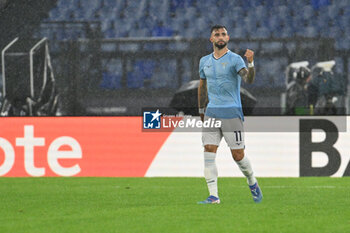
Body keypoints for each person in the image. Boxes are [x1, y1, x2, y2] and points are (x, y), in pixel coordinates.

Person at [197, 25, 262, 204]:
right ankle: (213, 196)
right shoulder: (204, 61)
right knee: (209, 151)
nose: (220, 36)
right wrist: (201, 110)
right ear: (211, 39)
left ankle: (252, 181)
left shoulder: (235, 60)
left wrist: (250, 63)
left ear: (228, 38)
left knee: (238, 156)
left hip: (231, 112)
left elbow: (248, 79)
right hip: (211, 113)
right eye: (216, 34)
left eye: (223, 34)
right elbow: (202, 86)